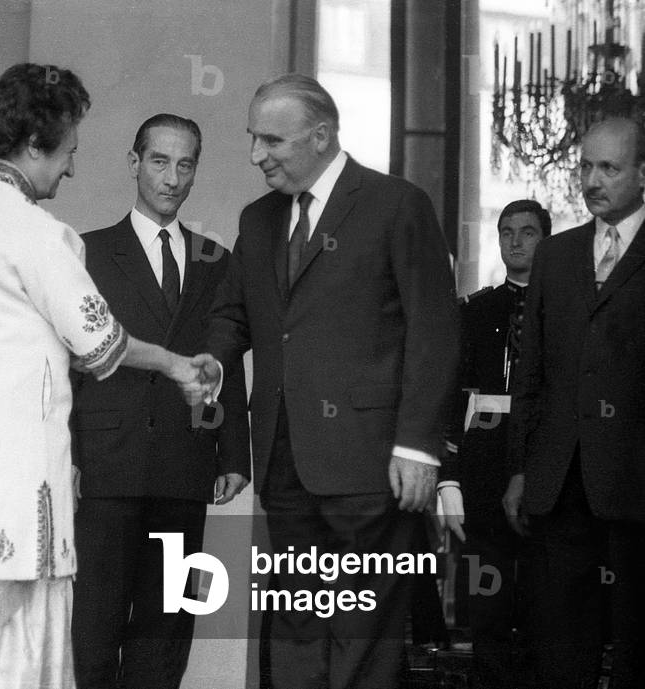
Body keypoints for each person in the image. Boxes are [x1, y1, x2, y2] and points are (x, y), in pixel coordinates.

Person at [0, 63, 217, 689]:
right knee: (3, 660)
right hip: (8, 485)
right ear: (36, 145)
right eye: (68, 152)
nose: (71, 168)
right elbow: (101, 343)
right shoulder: (30, 228)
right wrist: (174, 363)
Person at [204, 74, 460, 689]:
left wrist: (420, 447)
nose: (256, 155)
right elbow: (234, 315)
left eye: (272, 140)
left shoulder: (396, 204)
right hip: (285, 461)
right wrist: (211, 361)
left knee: (362, 626)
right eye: (252, 138)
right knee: (295, 618)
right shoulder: (258, 219)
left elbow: (436, 330)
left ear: (321, 136)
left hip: (373, 465)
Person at [69, 114, 251, 689]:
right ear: (134, 163)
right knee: (94, 625)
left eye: (186, 164)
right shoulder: (88, 253)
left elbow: (229, 362)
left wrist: (234, 456)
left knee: (169, 624)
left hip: (184, 466)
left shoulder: (218, 261)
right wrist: (64, 452)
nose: (173, 178)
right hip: (105, 467)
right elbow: (64, 363)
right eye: (160, 161)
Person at [505, 116, 645, 689]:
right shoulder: (555, 256)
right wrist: (518, 469)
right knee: (561, 643)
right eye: (585, 165)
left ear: (642, 174)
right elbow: (530, 377)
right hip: (558, 480)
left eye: (608, 167)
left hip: (637, 481)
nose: (591, 179)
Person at [440, 199, 550, 689]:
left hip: (546, 467)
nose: (515, 241)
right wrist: (448, 479)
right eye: (507, 232)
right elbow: (448, 400)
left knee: (543, 607)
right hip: (483, 469)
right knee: (487, 600)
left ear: (546, 238)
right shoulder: (476, 312)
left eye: (527, 232)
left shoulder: (566, 309)